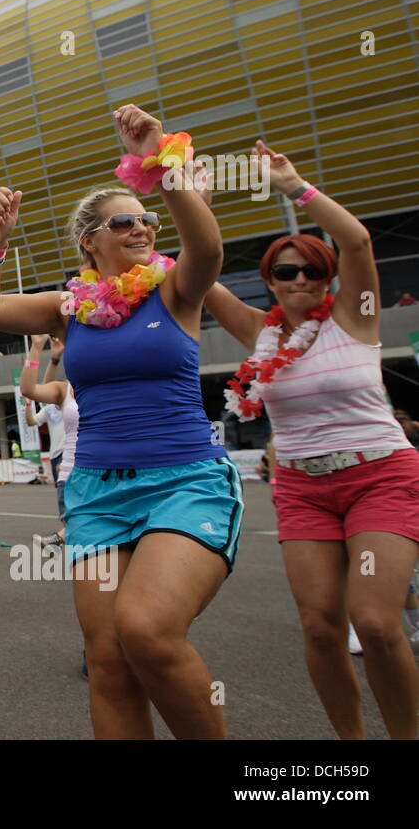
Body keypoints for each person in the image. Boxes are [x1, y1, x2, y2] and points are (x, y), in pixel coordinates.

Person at [0, 104, 240, 739]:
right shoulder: (68, 309)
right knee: (108, 661)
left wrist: (158, 161)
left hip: (184, 483)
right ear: (89, 240)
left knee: (147, 628)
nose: (143, 229)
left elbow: (207, 246)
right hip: (96, 494)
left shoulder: (176, 289)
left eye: (146, 220)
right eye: (126, 221)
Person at [203, 140, 419, 739]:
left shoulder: (358, 314)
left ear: (327, 277)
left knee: (374, 623)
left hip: (379, 475)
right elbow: (202, 269)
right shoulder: (256, 332)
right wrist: (192, 202)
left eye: (312, 270)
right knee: (321, 628)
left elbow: (358, 243)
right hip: (302, 486)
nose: (299, 279)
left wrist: (294, 186)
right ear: (270, 281)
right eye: (284, 271)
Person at [21, 334, 77, 548]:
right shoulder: (64, 391)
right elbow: (34, 390)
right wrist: (41, 350)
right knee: (72, 520)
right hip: (64, 464)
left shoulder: (102, 387)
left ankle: (59, 539)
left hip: (97, 470)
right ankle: (61, 539)